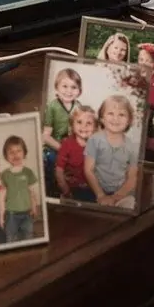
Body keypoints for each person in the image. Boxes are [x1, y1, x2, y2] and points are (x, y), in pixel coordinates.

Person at [85, 95, 139, 210]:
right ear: (102, 118)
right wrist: (100, 195)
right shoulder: (94, 140)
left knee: (130, 204)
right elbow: (88, 170)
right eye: (110, 113)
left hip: (121, 192)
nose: (116, 118)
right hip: (96, 190)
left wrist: (116, 197)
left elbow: (132, 177)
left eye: (121, 114)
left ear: (129, 120)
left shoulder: (132, 146)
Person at [42, 65, 82, 196]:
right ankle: (51, 191)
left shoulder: (78, 107)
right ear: (57, 88)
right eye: (65, 86)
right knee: (51, 161)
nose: (69, 91)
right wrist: (62, 149)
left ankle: (71, 190)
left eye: (74, 87)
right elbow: (45, 136)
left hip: (71, 147)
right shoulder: (52, 106)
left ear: (79, 91)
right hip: (55, 146)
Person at [54, 105, 98, 203]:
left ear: (95, 128)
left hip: (92, 190)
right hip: (71, 190)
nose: (84, 126)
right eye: (79, 122)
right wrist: (65, 190)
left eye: (89, 123)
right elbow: (59, 170)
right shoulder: (67, 144)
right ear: (72, 125)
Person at [1, 134, 39, 242]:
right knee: (10, 236)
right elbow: (2, 196)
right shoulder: (4, 174)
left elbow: (32, 192)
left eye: (18, 151)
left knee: (28, 235)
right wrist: (1, 214)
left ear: (24, 153)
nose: (15, 154)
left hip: (27, 212)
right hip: (11, 214)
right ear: (6, 156)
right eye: (11, 152)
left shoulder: (28, 172)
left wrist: (34, 206)